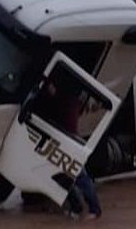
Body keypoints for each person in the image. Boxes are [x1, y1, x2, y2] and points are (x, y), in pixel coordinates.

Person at [36, 79, 103, 220]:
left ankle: (92, 208)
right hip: (69, 141)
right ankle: (80, 207)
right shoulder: (72, 100)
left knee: (77, 176)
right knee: (67, 176)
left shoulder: (62, 102)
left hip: (67, 143)